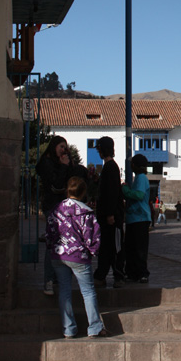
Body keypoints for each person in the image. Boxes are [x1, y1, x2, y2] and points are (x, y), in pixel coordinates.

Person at [46, 176, 107, 338]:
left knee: (64, 291)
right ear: (83, 192)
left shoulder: (56, 210)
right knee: (88, 291)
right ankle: (94, 326)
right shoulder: (86, 213)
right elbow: (91, 237)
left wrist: (51, 246)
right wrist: (93, 251)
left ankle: (68, 328)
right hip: (79, 256)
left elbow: (49, 232)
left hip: (59, 254)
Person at [36, 135, 87, 296]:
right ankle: (49, 279)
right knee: (53, 242)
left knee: (64, 242)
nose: (64, 150)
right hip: (52, 206)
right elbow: (56, 185)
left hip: (63, 207)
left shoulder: (62, 163)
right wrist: (64, 166)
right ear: (54, 147)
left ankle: (58, 277)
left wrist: (70, 165)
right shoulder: (47, 163)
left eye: (66, 147)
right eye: (61, 147)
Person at [93, 136, 125, 288]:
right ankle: (102, 274)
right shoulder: (109, 167)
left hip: (111, 216)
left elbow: (112, 192)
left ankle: (116, 275)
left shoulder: (111, 167)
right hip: (107, 215)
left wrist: (111, 214)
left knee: (113, 246)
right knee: (107, 246)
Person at [122, 154, 151, 283]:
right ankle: (132, 272)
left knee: (139, 248)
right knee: (131, 247)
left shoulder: (141, 178)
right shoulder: (138, 178)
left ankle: (142, 273)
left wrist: (126, 190)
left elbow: (139, 195)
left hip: (140, 218)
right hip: (134, 218)